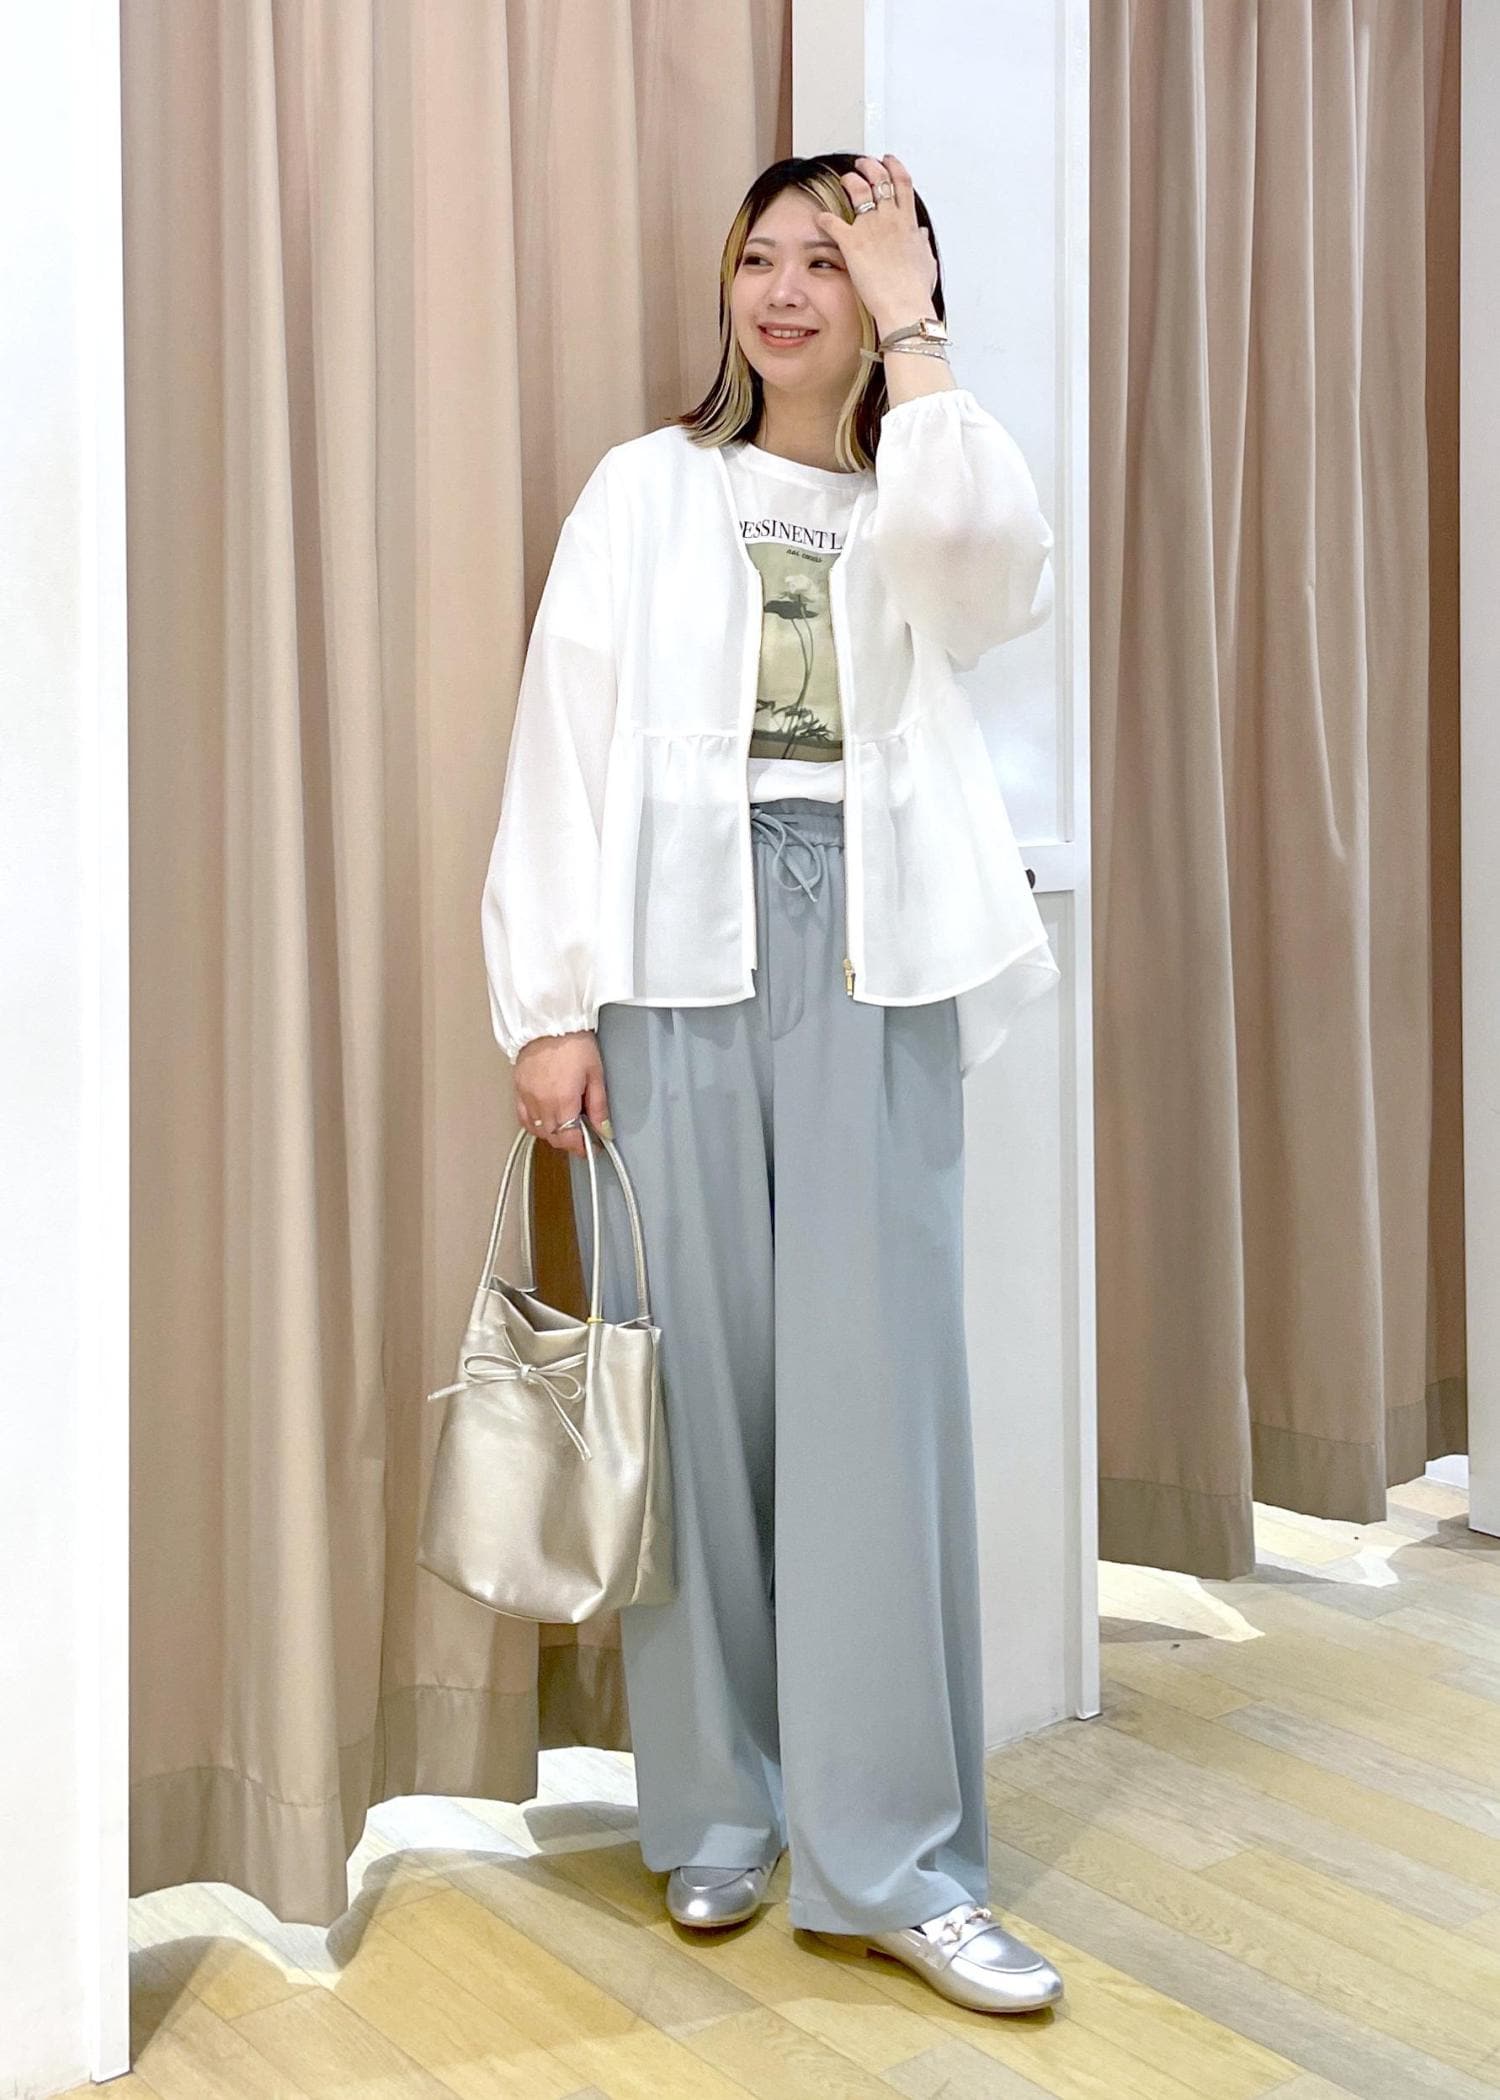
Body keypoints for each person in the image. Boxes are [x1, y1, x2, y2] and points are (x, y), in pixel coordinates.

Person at [481, 151, 1064, 2017]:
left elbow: (992, 582)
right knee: (697, 1402)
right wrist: (547, 1003)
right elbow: (561, 736)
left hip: (877, 948)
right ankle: (717, 1811)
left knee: (878, 1409)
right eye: (764, 257)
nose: (789, 288)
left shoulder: (922, 485)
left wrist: (921, 332)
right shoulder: (644, 490)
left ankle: (897, 1863)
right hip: (668, 962)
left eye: (835, 259)